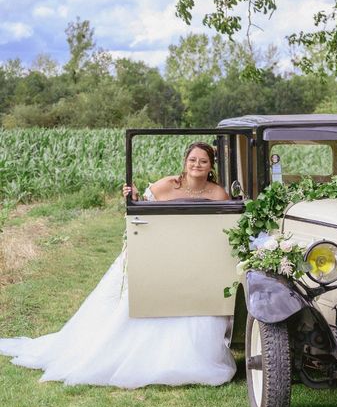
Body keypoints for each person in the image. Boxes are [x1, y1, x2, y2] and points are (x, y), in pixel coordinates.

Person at [0, 142, 236, 388]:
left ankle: (190, 356)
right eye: (193, 160)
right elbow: (141, 212)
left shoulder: (217, 193)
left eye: (203, 161)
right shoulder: (166, 185)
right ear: (185, 162)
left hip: (196, 256)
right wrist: (133, 198)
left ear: (211, 167)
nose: (197, 165)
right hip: (161, 250)